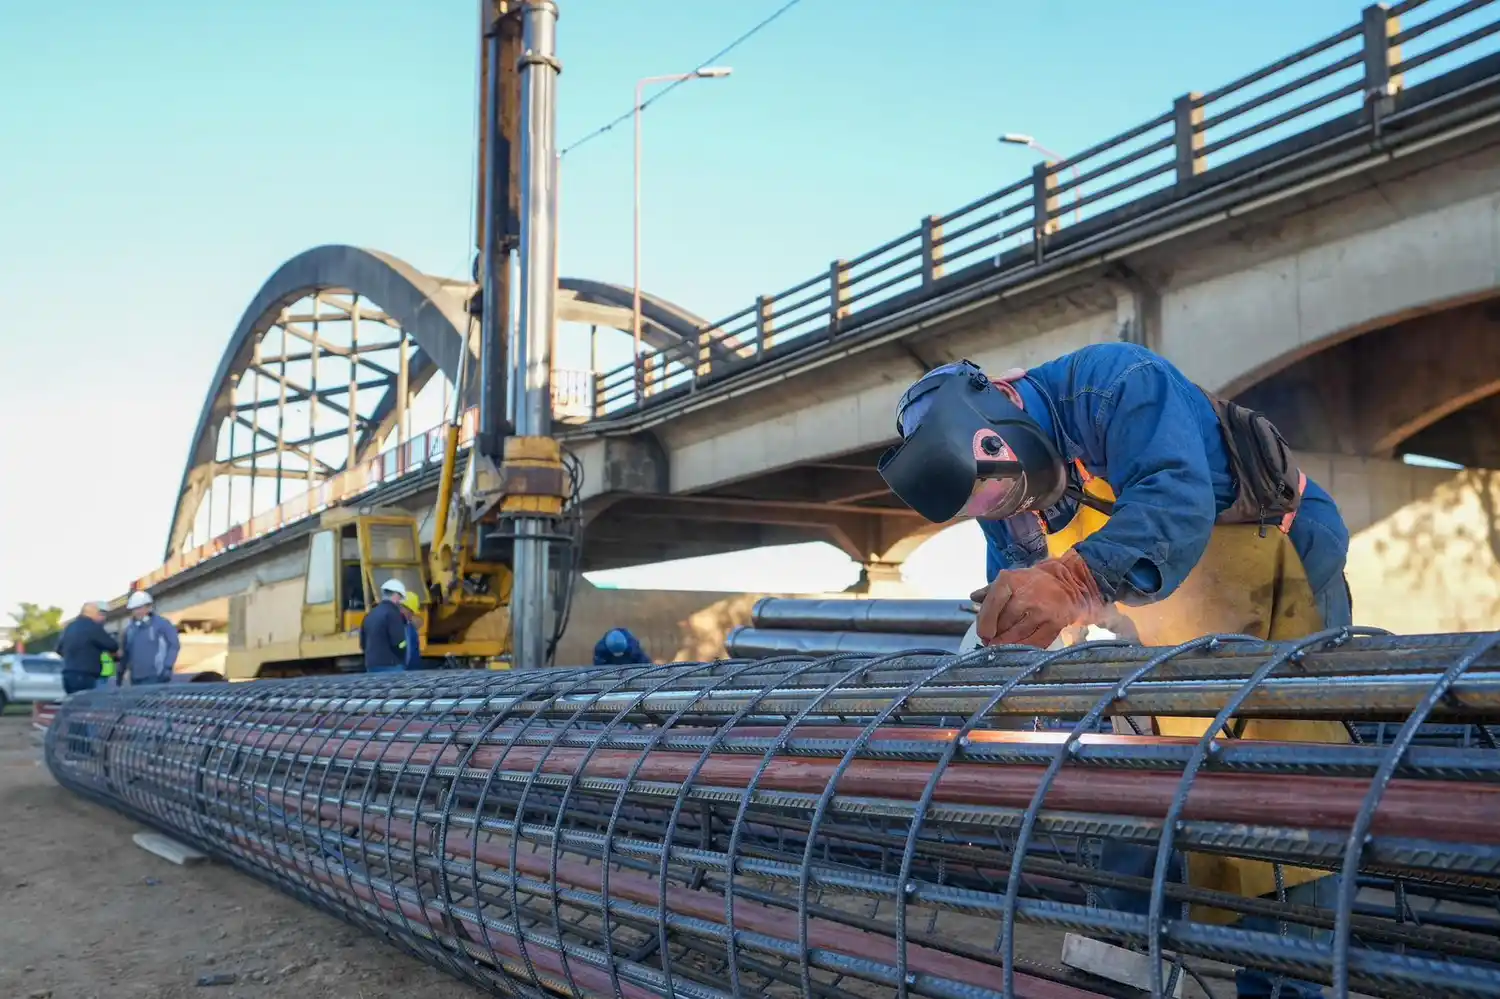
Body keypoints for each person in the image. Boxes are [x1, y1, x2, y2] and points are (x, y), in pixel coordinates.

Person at [878, 344, 1351, 999]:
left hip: (1277, 571)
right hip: (1162, 605)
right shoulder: (1007, 502)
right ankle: (1123, 969)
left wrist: (1072, 578)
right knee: (1124, 774)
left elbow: (1173, 500)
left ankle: (1285, 984)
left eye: (1002, 484)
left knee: (1276, 794)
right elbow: (1018, 593)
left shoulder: (1117, 385)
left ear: (1005, 407)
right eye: (987, 500)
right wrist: (1008, 678)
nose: (1005, 503)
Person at [56, 602, 119, 695]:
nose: (99, 616)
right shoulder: (92, 627)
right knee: (86, 705)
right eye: (98, 613)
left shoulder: (69, 627)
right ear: (92, 613)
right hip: (85, 675)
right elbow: (112, 645)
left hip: (68, 674)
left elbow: (58, 649)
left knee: (73, 704)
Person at [119, 590, 180, 686]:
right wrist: (120, 674)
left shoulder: (162, 624)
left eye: (139, 608)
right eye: (134, 609)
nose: (137, 612)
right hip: (136, 678)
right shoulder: (130, 630)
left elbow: (174, 645)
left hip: (157, 677)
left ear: (149, 607)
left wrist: (167, 666)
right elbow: (125, 654)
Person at [360, 578, 409, 673]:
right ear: (395, 595)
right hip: (391, 665)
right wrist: (403, 656)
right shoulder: (393, 613)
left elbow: (362, 643)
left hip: (371, 666)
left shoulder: (369, 615)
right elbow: (399, 643)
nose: (400, 602)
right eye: (400, 597)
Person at [400, 590, 426, 670]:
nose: (412, 615)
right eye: (411, 612)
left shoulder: (409, 627)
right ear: (405, 609)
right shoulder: (400, 627)